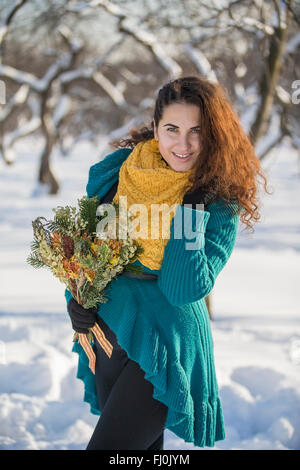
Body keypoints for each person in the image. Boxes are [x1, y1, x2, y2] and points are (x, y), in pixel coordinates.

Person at [65, 76, 269, 450]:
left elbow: (182, 289)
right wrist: (76, 301)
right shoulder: (119, 173)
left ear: (213, 135)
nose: (184, 144)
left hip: (168, 344)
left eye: (197, 131)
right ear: (155, 127)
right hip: (112, 331)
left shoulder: (217, 198)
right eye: (172, 128)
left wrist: (191, 210)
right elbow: (89, 252)